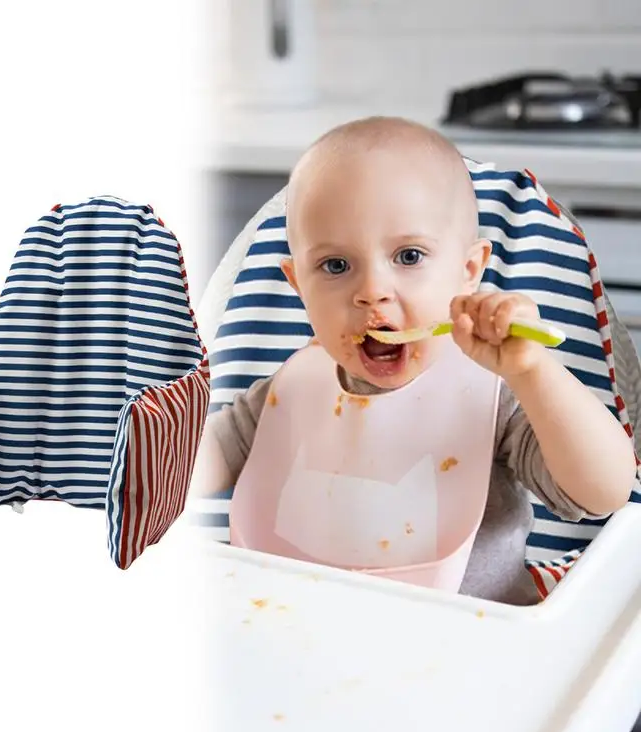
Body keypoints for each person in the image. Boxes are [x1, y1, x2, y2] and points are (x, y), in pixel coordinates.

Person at [190, 116, 636, 604]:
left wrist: (533, 372)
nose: (372, 292)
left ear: (468, 271)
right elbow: (187, 469)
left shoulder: (492, 390)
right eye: (335, 265)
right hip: (304, 631)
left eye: (408, 256)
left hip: (470, 644)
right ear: (299, 285)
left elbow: (602, 493)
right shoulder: (291, 389)